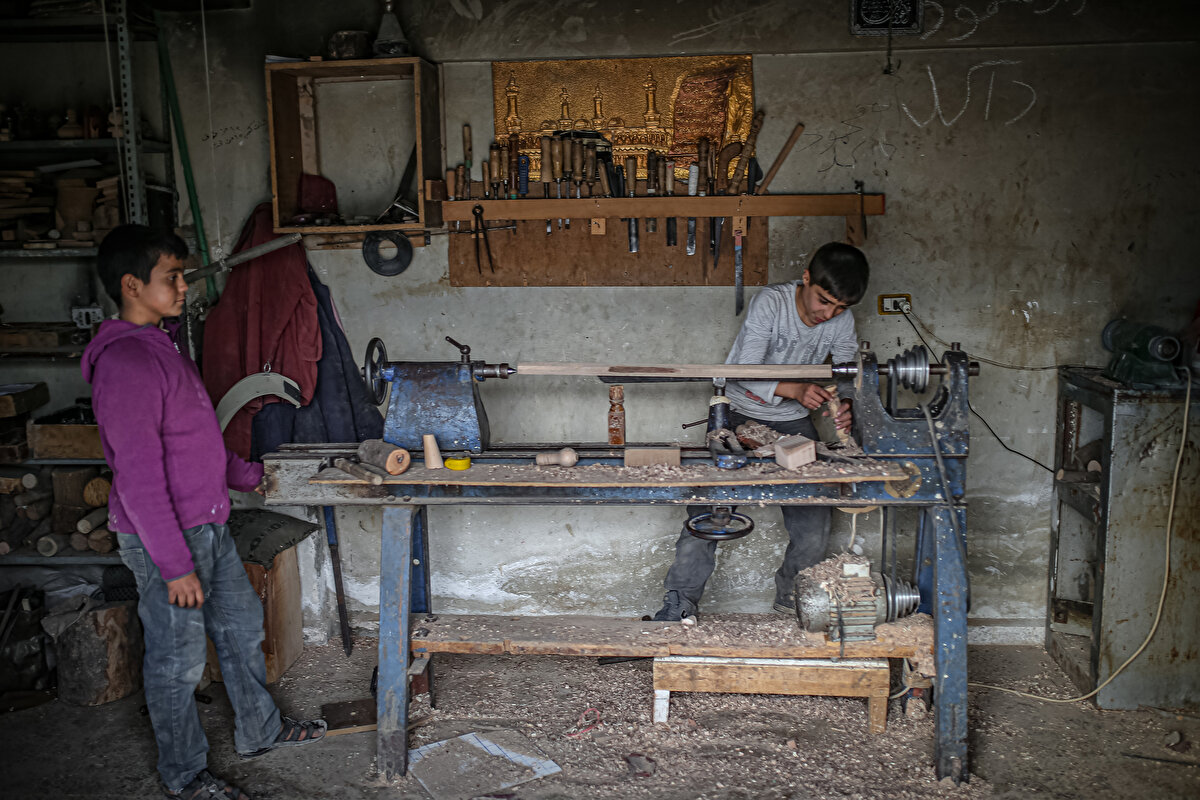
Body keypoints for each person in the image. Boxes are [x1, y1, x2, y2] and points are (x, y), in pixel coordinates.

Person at [82, 225, 326, 800]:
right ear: (131, 285)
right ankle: (185, 776)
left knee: (240, 632)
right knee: (177, 662)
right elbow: (140, 480)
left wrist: (247, 476)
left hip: (207, 528)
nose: (184, 286)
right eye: (172, 277)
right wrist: (173, 566)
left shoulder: (162, 346)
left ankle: (260, 731)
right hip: (168, 541)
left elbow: (194, 444)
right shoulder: (125, 365)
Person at [651, 241, 870, 621]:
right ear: (806, 279)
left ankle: (792, 602)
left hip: (792, 423)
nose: (828, 313)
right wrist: (796, 390)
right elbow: (744, 368)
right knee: (709, 512)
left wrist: (845, 406)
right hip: (737, 415)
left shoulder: (840, 320)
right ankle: (679, 601)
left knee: (813, 519)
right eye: (823, 300)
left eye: (840, 307)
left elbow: (847, 374)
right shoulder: (771, 302)